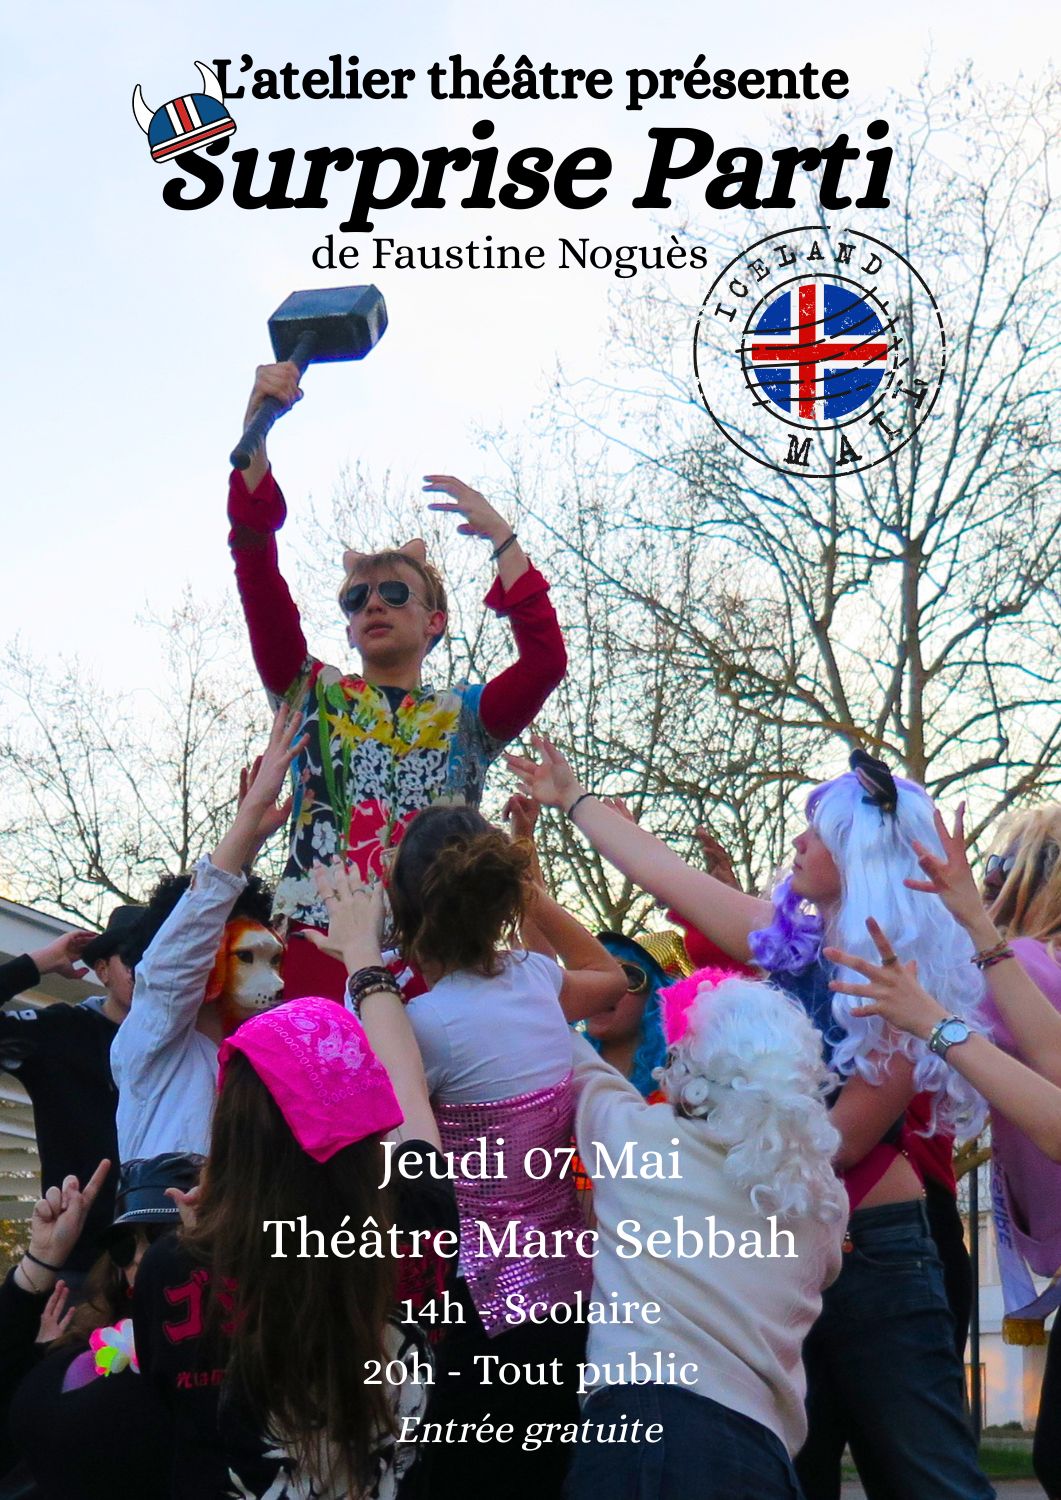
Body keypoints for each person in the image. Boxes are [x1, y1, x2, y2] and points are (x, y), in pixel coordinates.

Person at [509, 737, 995, 1500]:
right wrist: (572, 799)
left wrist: (681, 1143)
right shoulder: (788, 942)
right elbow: (665, 872)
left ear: (861, 856)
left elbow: (842, 1140)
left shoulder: (905, 981)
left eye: (817, 833)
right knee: (782, 1473)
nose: (797, 841)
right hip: (767, 1246)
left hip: (870, 1250)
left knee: (926, 1477)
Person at [226, 362, 568, 999]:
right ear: (350, 628)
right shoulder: (310, 693)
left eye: (394, 592)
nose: (373, 605)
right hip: (316, 953)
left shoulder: (468, 715)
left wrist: (502, 538)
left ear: (435, 621)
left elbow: (546, 662)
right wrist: (255, 440)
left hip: (437, 959)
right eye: (357, 599)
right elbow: (257, 574)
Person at [133, 864, 456, 1500]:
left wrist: (206, 1249)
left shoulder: (172, 1270)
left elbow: (166, 1414)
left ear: (231, 1127)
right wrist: (363, 954)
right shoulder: (420, 1219)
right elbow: (408, 1084)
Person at [375, 802, 624, 1499]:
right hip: (570, 1292)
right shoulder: (537, 981)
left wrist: (366, 961)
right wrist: (528, 888)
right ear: (502, 892)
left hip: (479, 1306)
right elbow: (609, 977)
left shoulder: (424, 1025)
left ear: (407, 911)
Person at [566, 971, 847, 1500]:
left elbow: (566, 1052)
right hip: (764, 1453)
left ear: (692, 1080)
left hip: (645, 1434)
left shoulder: (638, 1141)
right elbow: (826, 1271)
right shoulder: (821, 1198)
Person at [856, 802, 1061, 1497]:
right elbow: (1054, 1058)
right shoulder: (1029, 961)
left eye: (1001, 865)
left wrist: (933, 1021)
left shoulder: (1030, 964)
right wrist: (974, 923)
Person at [110, 706, 302, 1160]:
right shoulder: (150, 1040)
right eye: (247, 957)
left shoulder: (256, 1063)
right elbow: (186, 942)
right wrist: (248, 816)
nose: (276, 981)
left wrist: (249, 842)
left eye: (274, 959)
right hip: (167, 1207)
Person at [0, 1154, 199, 1500]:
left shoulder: (222, 1359)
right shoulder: (79, 1343)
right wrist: (40, 1261)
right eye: (125, 1244)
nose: (139, 1257)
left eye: (164, 1236)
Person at [0, 918, 143, 1275]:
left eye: (157, 956)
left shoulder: (191, 1040)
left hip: (167, 1257)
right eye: (133, 958)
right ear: (102, 970)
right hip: (79, 1264)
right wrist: (40, 962)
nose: (145, 970)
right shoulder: (61, 1030)